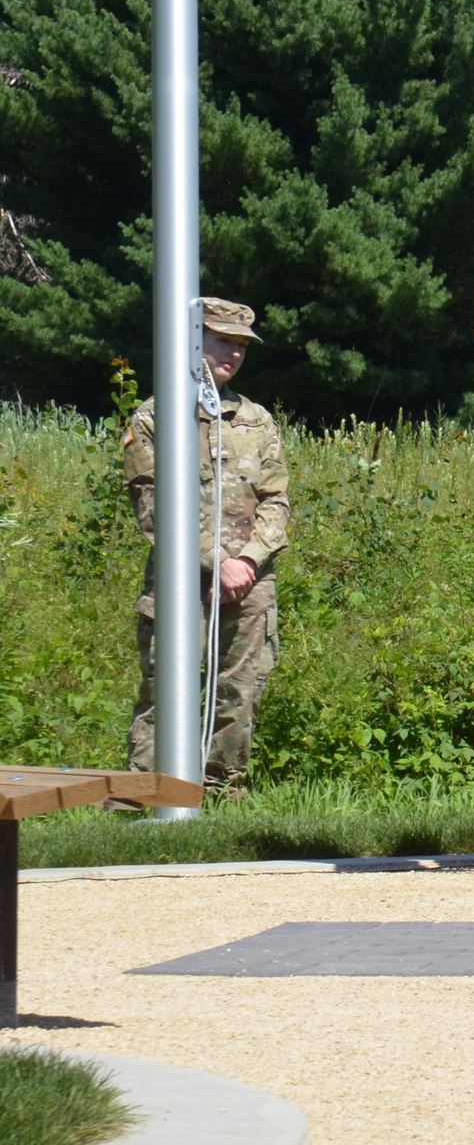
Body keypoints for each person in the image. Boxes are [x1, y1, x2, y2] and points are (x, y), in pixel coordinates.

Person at [124, 296, 288, 790]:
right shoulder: (155, 417)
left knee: (240, 692)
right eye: (223, 341)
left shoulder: (255, 420)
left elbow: (277, 501)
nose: (234, 354)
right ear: (193, 341)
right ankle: (147, 797)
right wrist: (215, 561)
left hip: (250, 583)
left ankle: (221, 796)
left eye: (241, 346)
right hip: (179, 580)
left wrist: (247, 561)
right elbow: (152, 507)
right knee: (166, 689)